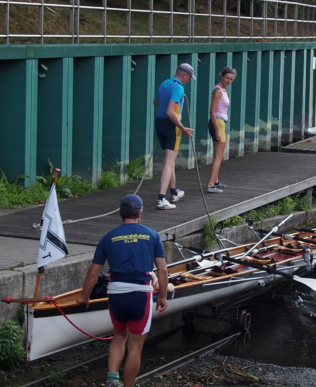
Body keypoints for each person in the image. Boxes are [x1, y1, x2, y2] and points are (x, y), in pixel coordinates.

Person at [76, 194, 168, 387]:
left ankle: (112, 378)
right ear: (140, 213)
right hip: (140, 295)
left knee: (119, 336)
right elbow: (162, 269)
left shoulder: (108, 237)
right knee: (135, 347)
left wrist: (84, 296)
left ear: (120, 213)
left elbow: (93, 272)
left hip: (116, 294)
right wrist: (163, 296)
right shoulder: (152, 235)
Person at [153, 63, 196, 210]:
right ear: (184, 75)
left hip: (160, 124)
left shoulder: (164, 84)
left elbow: (155, 102)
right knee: (169, 162)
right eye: (189, 78)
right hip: (171, 126)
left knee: (168, 160)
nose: (189, 80)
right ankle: (161, 198)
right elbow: (170, 111)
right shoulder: (178, 88)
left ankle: (173, 192)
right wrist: (183, 128)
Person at [207, 66, 237, 193]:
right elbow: (212, 111)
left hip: (221, 121)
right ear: (221, 76)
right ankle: (210, 185)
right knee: (219, 155)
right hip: (218, 122)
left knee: (219, 154)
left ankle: (216, 181)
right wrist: (217, 129)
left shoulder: (223, 90)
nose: (229, 81)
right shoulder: (218, 91)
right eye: (227, 78)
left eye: (231, 79)